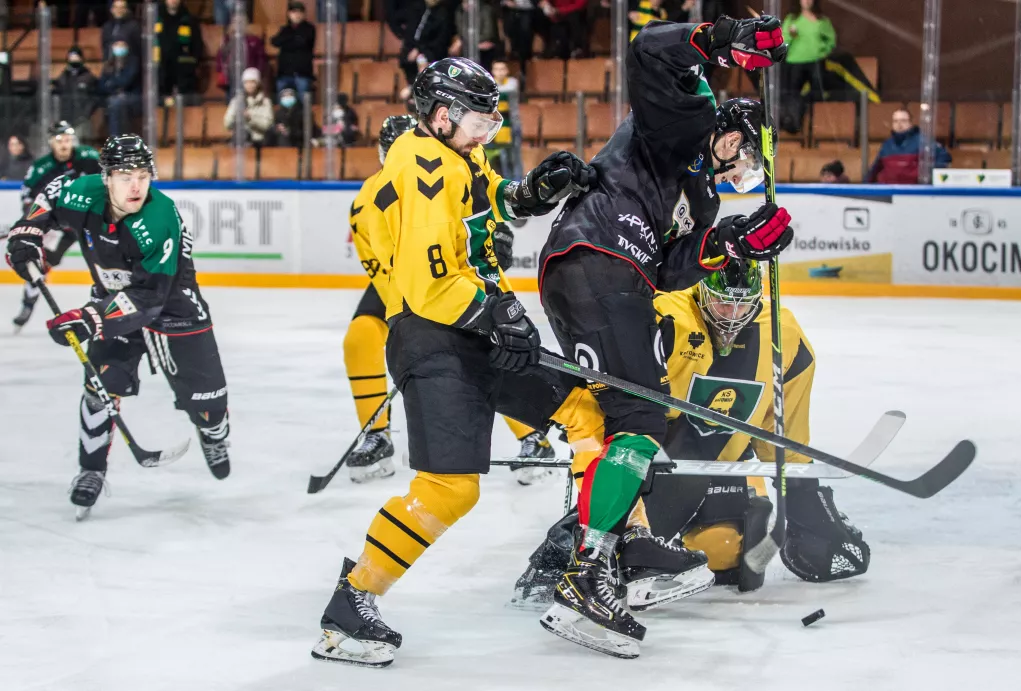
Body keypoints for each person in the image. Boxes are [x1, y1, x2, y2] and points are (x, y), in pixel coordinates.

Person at [310, 57, 595, 668]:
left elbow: (487, 200)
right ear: (441, 116)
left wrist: (529, 192)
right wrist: (497, 313)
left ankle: (591, 558)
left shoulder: (456, 154)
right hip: (434, 337)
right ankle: (349, 606)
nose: (487, 132)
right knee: (450, 489)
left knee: (585, 409)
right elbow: (426, 283)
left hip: (469, 326)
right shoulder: (422, 167)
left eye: (493, 123)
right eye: (479, 121)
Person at [535, 18, 792, 658]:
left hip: (608, 277)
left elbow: (672, 266)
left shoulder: (703, 201)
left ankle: (615, 549)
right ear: (729, 135)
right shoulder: (686, 119)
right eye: (747, 158)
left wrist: (736, 241)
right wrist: (723, 37)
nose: (744, 173)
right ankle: (587, 573)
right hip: (599, 260)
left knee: (635, 417)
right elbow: (649, 51)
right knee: (643, 417)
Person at [512, 260, 869, 609]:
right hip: (657, 461)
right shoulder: (664, 315)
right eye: (723, 303)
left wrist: (804, 495)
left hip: (724, 460)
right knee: (626, 554)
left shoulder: (783, 335)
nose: (732, 315)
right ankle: (572, 550)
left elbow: (781, 424)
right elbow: (615, 405)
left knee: (726, 555)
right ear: (702, 291)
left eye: (742, 304)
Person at [4, 136, 232, 519]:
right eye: (126, 176)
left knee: (210, 406)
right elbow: (51, 195)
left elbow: (150, 298)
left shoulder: (159, 218)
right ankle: (91, 470)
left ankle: (213, 433)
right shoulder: (83, 192)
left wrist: (90, 318)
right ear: (106, 177)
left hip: (174, 307)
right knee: (100, 388)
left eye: (143, 175)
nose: (136, 186)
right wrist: (29, 230)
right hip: (111, 300)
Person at [342, 114, 555, 484]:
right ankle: (376, 435)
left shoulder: (450, 166)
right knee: (360, 338)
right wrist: (414, 320)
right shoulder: (365, 203)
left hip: (452, 273)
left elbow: (479, 217)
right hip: (404, 282)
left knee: (492, 345)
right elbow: (385, 269)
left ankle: (532, 436)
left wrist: (495, 238)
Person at [10, 122, 102, 330]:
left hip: (91, 222)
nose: (64, 144)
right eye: (59, 140)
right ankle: (27, 305)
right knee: (39, 263)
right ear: (51, 142)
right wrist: (35, 221)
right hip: (59, 228)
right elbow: (28, 198)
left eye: (68, 139)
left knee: (107, 259)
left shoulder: (89, 157)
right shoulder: (41, 167)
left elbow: (109, 182)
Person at [780, 0, 836, 133]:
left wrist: (822, 52)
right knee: (793, 95)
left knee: (818, 94)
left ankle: (818, 128)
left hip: (815, 62)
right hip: (795, 62)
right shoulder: (791, 19)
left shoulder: (822, 20)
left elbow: (831, 40)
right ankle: (794, 126)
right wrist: (791, 35)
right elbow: (783, 41)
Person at [866, 107, 952, 184]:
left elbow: (944, 158)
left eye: (903, 121)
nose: (899, 124)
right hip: (890, 191)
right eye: (896, 121)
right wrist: (863, 189)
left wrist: (927, 178)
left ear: (910, 123)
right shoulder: (887, 145)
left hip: (914, 191)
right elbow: (874, 169)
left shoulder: (923, 141)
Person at [155, 0, 203, 102]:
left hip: (184, 75)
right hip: (161, 73)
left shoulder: (189, 20)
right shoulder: (156, 19)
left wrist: (190, 66)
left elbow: (197, 47)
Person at [400, 0, 455, 85]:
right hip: (413, 53)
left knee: (424, 67)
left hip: (432, 55)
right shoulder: (419, 8)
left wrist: (420, 50)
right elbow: (411, 34)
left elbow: (440, 42)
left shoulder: (443, 14)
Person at [216, 19, 269, 101]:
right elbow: (221, 57)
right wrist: (221, 70)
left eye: (241, 22)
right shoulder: (227, 40)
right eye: (235, 22)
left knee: (249, 101)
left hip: (249, 77)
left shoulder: (254, 40)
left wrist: (257, 72)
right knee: (232, 102)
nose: (238, 25)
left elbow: (261, 58)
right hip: (231, 77)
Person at [98, 40, 143, 137]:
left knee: (116, 103)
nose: (119, 48)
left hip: (134, 96)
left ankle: (118, 137)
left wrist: (111, 83)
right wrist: (114, 88)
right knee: (112, 102)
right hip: (113, 96)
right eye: (117, 45)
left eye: (122, 45)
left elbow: (126, 81)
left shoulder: (133, 63)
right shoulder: (109, 63)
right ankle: (115, 137)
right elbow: (102, 84)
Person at [487, 60, 523, 180]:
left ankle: (518, 182)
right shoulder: (490, 85)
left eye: (502, 69)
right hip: (499, 126)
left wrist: (488, 88)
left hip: (513, 125)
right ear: (493, 71)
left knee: (515, 157)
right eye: (497, 69)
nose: (500, 72)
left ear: (507, 71)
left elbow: (506, 90)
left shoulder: (512, 83)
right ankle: (507, 182)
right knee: (503, 157)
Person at [271, 1, 316, 95]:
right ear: (289, 14)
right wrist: (292, 38)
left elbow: (302, 42)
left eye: (300, 12)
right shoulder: (285, 29)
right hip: (284, 73)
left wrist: (286, 41)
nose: (297, 15)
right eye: (294, 12)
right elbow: (275, 42)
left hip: (302, 73)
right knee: (282, 99)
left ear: (304, 14)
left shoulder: (309, 28)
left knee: (303, 100)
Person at [52, 47, 99, 134]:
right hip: (65, 119)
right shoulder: (63, 77)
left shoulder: (89, 77)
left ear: (81, 59)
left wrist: (86, 114)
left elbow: (95, 98)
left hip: (82, 119)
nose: (73, 59)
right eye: (71, 57)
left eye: (76, 57)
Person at [223, 67, 274, 147]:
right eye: (246, 82)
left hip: (261, 140)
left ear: (258, 83)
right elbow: (227, 125)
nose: (249, 85)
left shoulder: (265, 102)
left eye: (252, 82)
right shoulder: (236, 101)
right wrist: (235, 113)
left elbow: (267, 125)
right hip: (242, 140)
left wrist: (250, 118)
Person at [450, 0, 502, 70]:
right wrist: (466, 42)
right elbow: (461, 31)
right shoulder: (459, 10)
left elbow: (488, 34)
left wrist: (465, 41)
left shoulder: (486, 10)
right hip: (467, 48)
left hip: (484, 51)